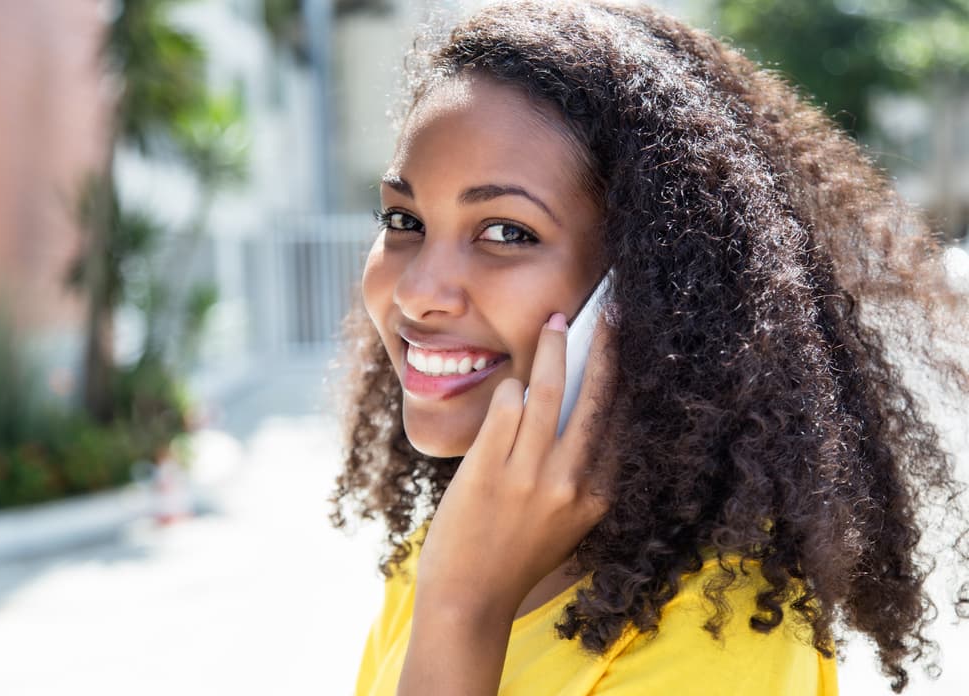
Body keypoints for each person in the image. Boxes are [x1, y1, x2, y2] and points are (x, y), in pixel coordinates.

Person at [331, 1, 969, 694]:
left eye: (507, 232)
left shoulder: (719, 646)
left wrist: (463, 613)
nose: (418, 291)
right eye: (404, 219)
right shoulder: (453, 543)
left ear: (648, 292)